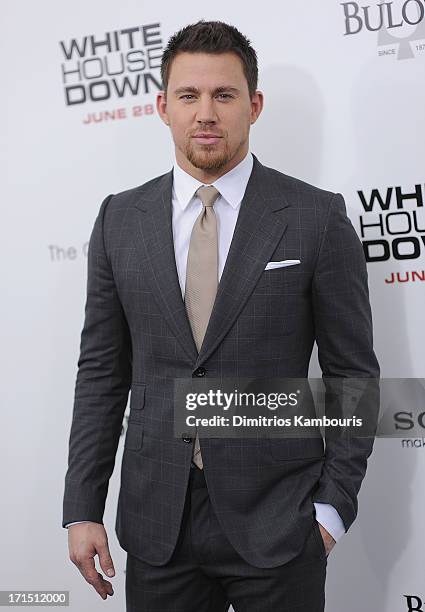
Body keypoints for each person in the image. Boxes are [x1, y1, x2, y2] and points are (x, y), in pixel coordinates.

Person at [62, 20, 380, 612]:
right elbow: (101, 374)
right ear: (163, 107)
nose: (205, 112)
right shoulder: (118, 221)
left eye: (224, 95)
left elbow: (352, 377)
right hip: (160, 527)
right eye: (189, 95)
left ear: (254, 105)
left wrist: (332, 509)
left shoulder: (316, 217)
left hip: (280, 523)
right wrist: (83, 507)